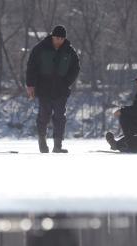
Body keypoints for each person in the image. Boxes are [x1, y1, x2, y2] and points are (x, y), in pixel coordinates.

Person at [26, 25, 80, 153]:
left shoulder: (69, 51)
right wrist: (30, 85)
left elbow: (76, 68)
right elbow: (31, 67)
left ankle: (58, 146)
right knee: (44, 116)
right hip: (43, 88)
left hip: (61, 90)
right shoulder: (40, 49)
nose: (59, 41)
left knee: (60, 117)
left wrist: (67, 82)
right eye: (57, 38)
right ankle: (42, 142)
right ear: (52, 36)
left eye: (61, 39)